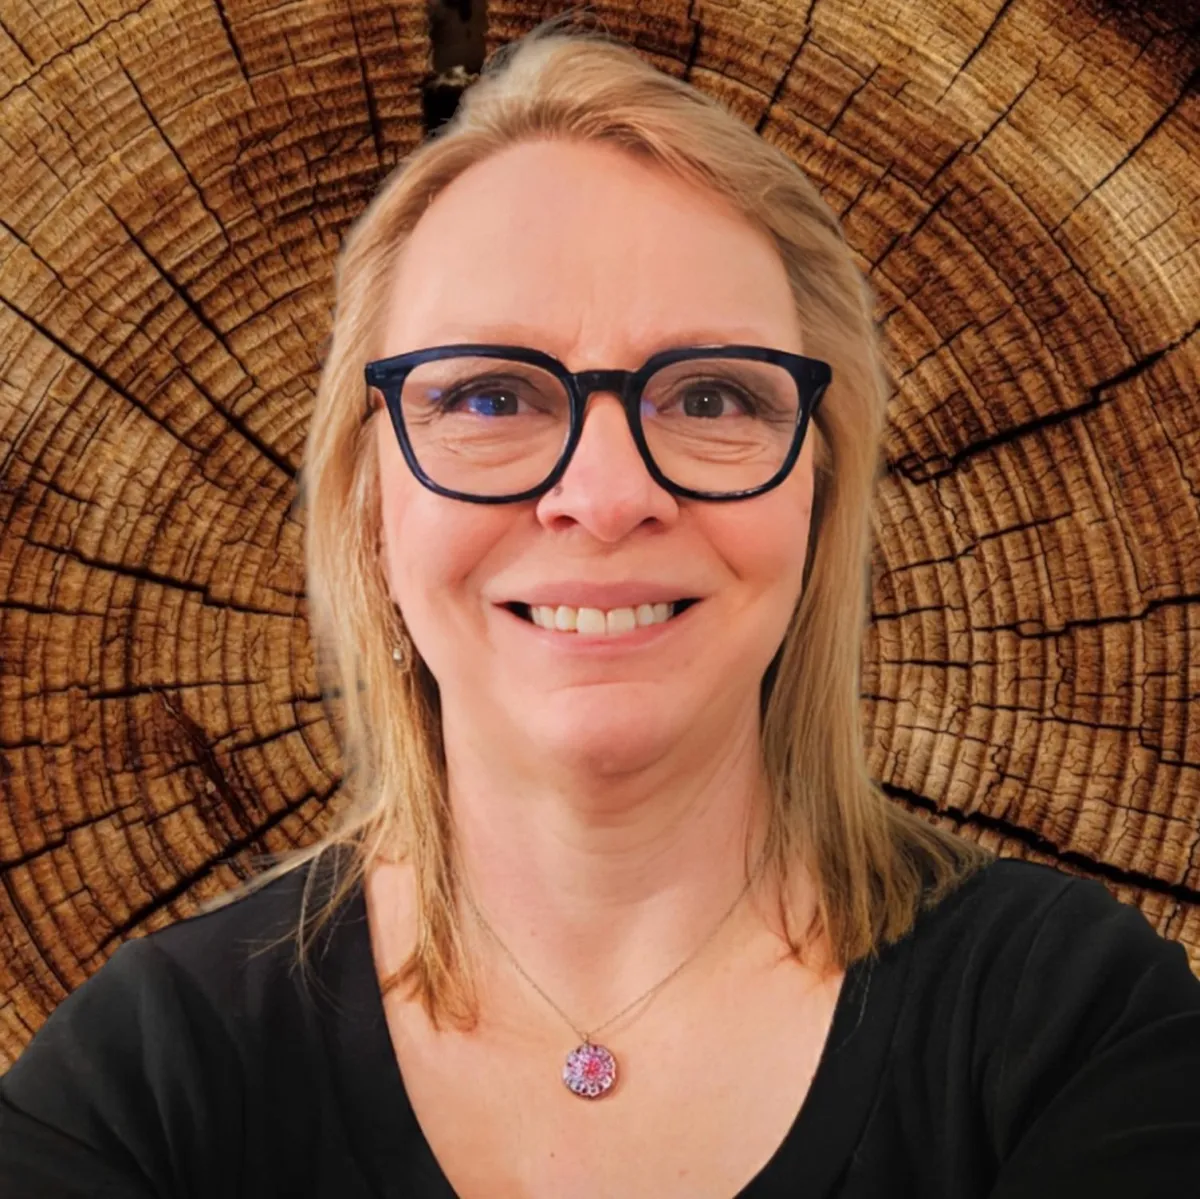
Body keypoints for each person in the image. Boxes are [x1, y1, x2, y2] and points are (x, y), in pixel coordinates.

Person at [2, 15, 1199, 1199]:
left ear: (818, 493)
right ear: (371, 502)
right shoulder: (146, 1085)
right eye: (486, 396)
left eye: (715, 394)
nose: (608, 494)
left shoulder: (1079, 1026)